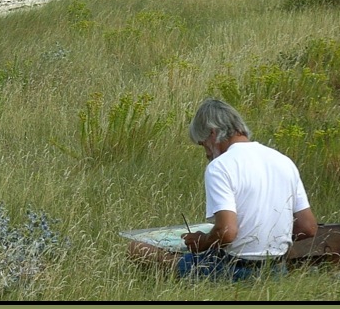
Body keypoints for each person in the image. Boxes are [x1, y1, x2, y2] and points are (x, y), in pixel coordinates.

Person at [128, 98, 318, 281]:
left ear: (212, 133)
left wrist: (202, 242)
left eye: (203, 145)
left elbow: (227, 232)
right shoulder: (283, 161)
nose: (206, 154)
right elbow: (308, 227)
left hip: (234, 268)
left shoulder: (220, 166)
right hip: (276, 269)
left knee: (137, 249)